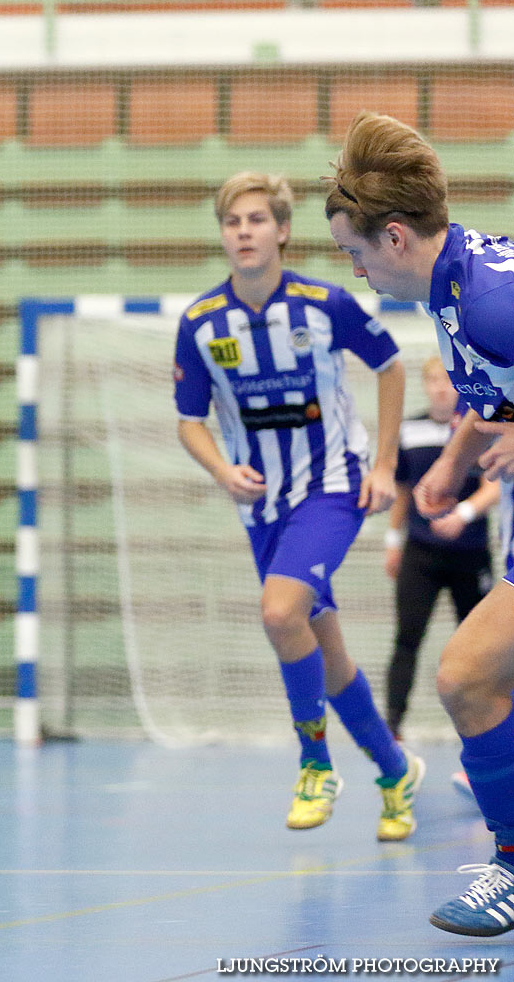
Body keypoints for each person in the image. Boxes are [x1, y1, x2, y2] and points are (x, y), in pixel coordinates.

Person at [174, 170, 421, 842]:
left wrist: (386, 465)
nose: (245, 232)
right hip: (263, 509)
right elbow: (189, 419)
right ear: (223, 236)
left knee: (280, 612)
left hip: (332, 487)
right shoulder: (201, 323)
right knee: (324, 650)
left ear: (282, 230)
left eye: (257, 220)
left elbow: (391, 365)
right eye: (233, 222)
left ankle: (315, 764)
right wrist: (223, 470)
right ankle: (396, 771)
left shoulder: (324, 303)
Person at [324, 110, 514, 936]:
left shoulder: (490, 304)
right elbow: (494, 395)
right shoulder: (459, 286)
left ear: (394, 238)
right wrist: (447, 465)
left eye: (355, 255)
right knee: (474, 678)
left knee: (465, 675)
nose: (357, 271)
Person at [383, 355, 499, 738]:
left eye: (446, 381)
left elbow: (493, 484)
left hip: (470, 552)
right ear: (426, 385)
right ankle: (393, 728)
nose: (440, 388)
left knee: (485, 648)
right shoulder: (411, 429)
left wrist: (463, 515)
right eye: (433, 381)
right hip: (421, 552)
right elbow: (402, 490)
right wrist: (393, 541)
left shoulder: (482, 426)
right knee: (407, 636)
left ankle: (491, 727)